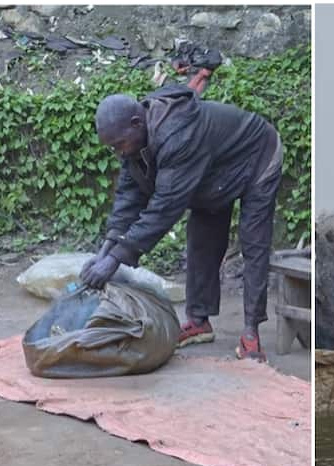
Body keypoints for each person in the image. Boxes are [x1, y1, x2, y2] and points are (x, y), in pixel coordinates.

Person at [80, 84, 284, 363]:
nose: (118, 153)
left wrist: (114, 260)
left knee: (254, 244)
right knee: (201, 243)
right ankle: (199, 321)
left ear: (137, 123)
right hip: (213, 172)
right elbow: (128, 197)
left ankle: (251, 332)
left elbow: (164, 207)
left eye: (119, 144)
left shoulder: (177, 136)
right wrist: (104, 251)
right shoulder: (135, 143)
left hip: (258, 157)